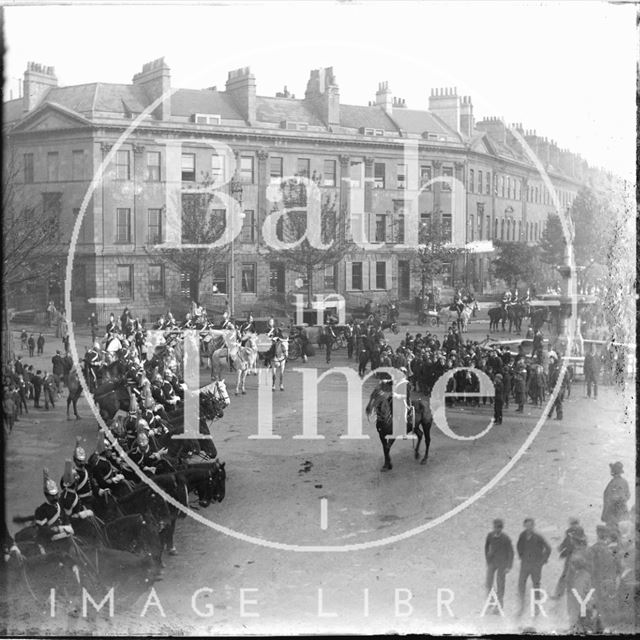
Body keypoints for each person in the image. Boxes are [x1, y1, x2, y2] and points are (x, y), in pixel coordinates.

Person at [516, 517, 551, 616]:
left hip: (536, 566)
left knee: (536, 585)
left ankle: (537, 607)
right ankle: (521, 605)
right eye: (527, 526)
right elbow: (519, 546)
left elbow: (548, 548)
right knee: (521, 584)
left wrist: (542, 561)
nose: (528, 528)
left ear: (533, 526)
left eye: (530, 526)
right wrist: (521, 556)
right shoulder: (522, 535)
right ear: (524, 526)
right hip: (525, 565)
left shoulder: (538, 537)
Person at [34, 469, 74, 551]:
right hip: (52, 543)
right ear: (46, 495)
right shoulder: (41, 510)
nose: (55, 497)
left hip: (65, 537)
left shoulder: (59, 504)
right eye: (52, 496)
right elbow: (43, 530)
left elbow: (65, 517)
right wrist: (59, 529)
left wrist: (68, 525)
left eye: (56, 494)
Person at [484, 518, 514, 611]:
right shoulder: (490, 535)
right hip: (492, 562)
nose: (497, 529)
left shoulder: (505, 538)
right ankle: (491, 600)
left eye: (499, 528)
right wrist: (488, 559)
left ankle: (499, 605)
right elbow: (486, 546)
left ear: (501, 528)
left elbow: (511, 552)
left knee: (500, 584)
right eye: (495, 527)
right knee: (488, 582)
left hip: (502, 564)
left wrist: (509, 566)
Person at [552, 517, 584, 600]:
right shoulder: (581, 530)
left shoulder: (570, 530)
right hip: (580, 555)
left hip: (571, 555)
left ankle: (559, 594)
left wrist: (562, 550)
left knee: (565, 575)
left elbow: (568, 542)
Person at [601, 461, 630, 527]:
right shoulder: (613, 482)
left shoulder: (621, 482)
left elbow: (625, 495)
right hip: (612, 511)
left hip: (616, 511)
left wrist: (619, 501)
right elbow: (627, 495)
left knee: (615, 530)